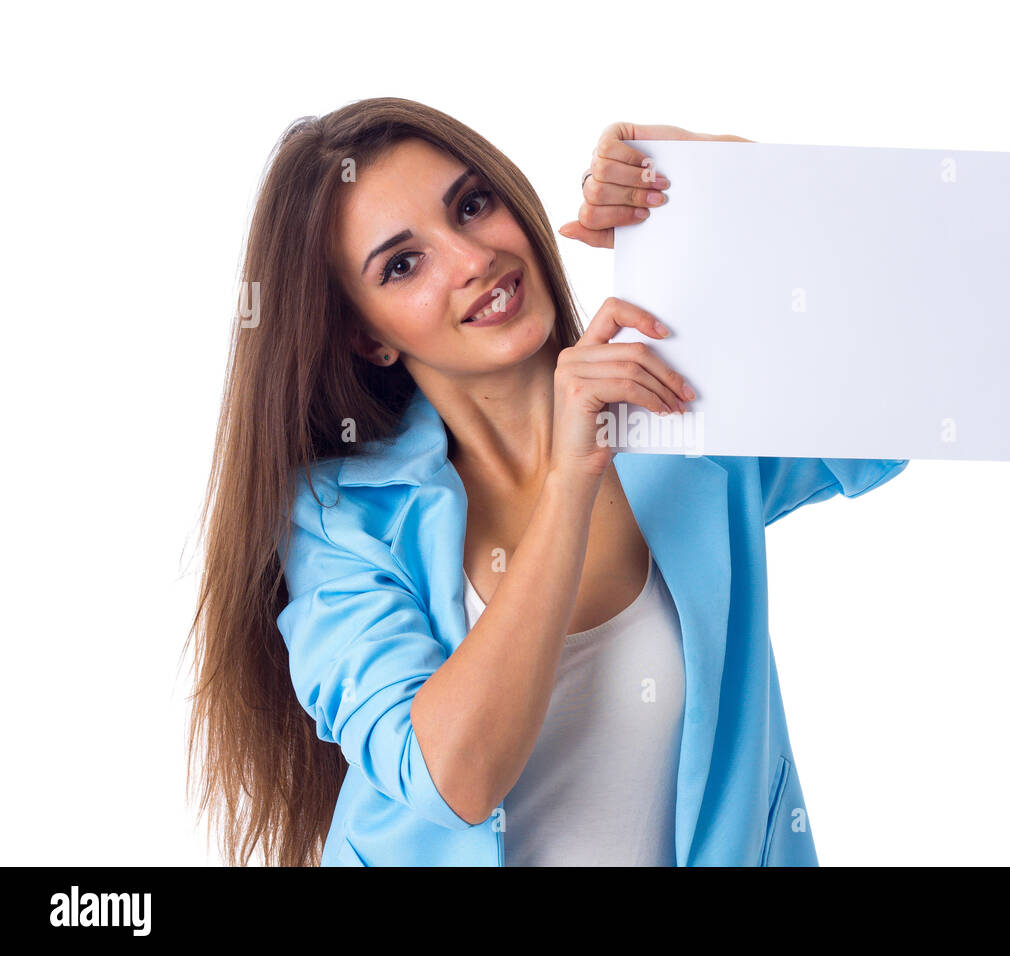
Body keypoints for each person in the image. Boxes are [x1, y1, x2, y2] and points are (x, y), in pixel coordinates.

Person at [186, 98, 908, 866]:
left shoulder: (679, 415)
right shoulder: (340, 520)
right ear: (368, 336)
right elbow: (453, 778)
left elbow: (910, 391)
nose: (471, 261)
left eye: (471, 206)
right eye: (403, 264)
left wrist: (731, 184)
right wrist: (570, 482)